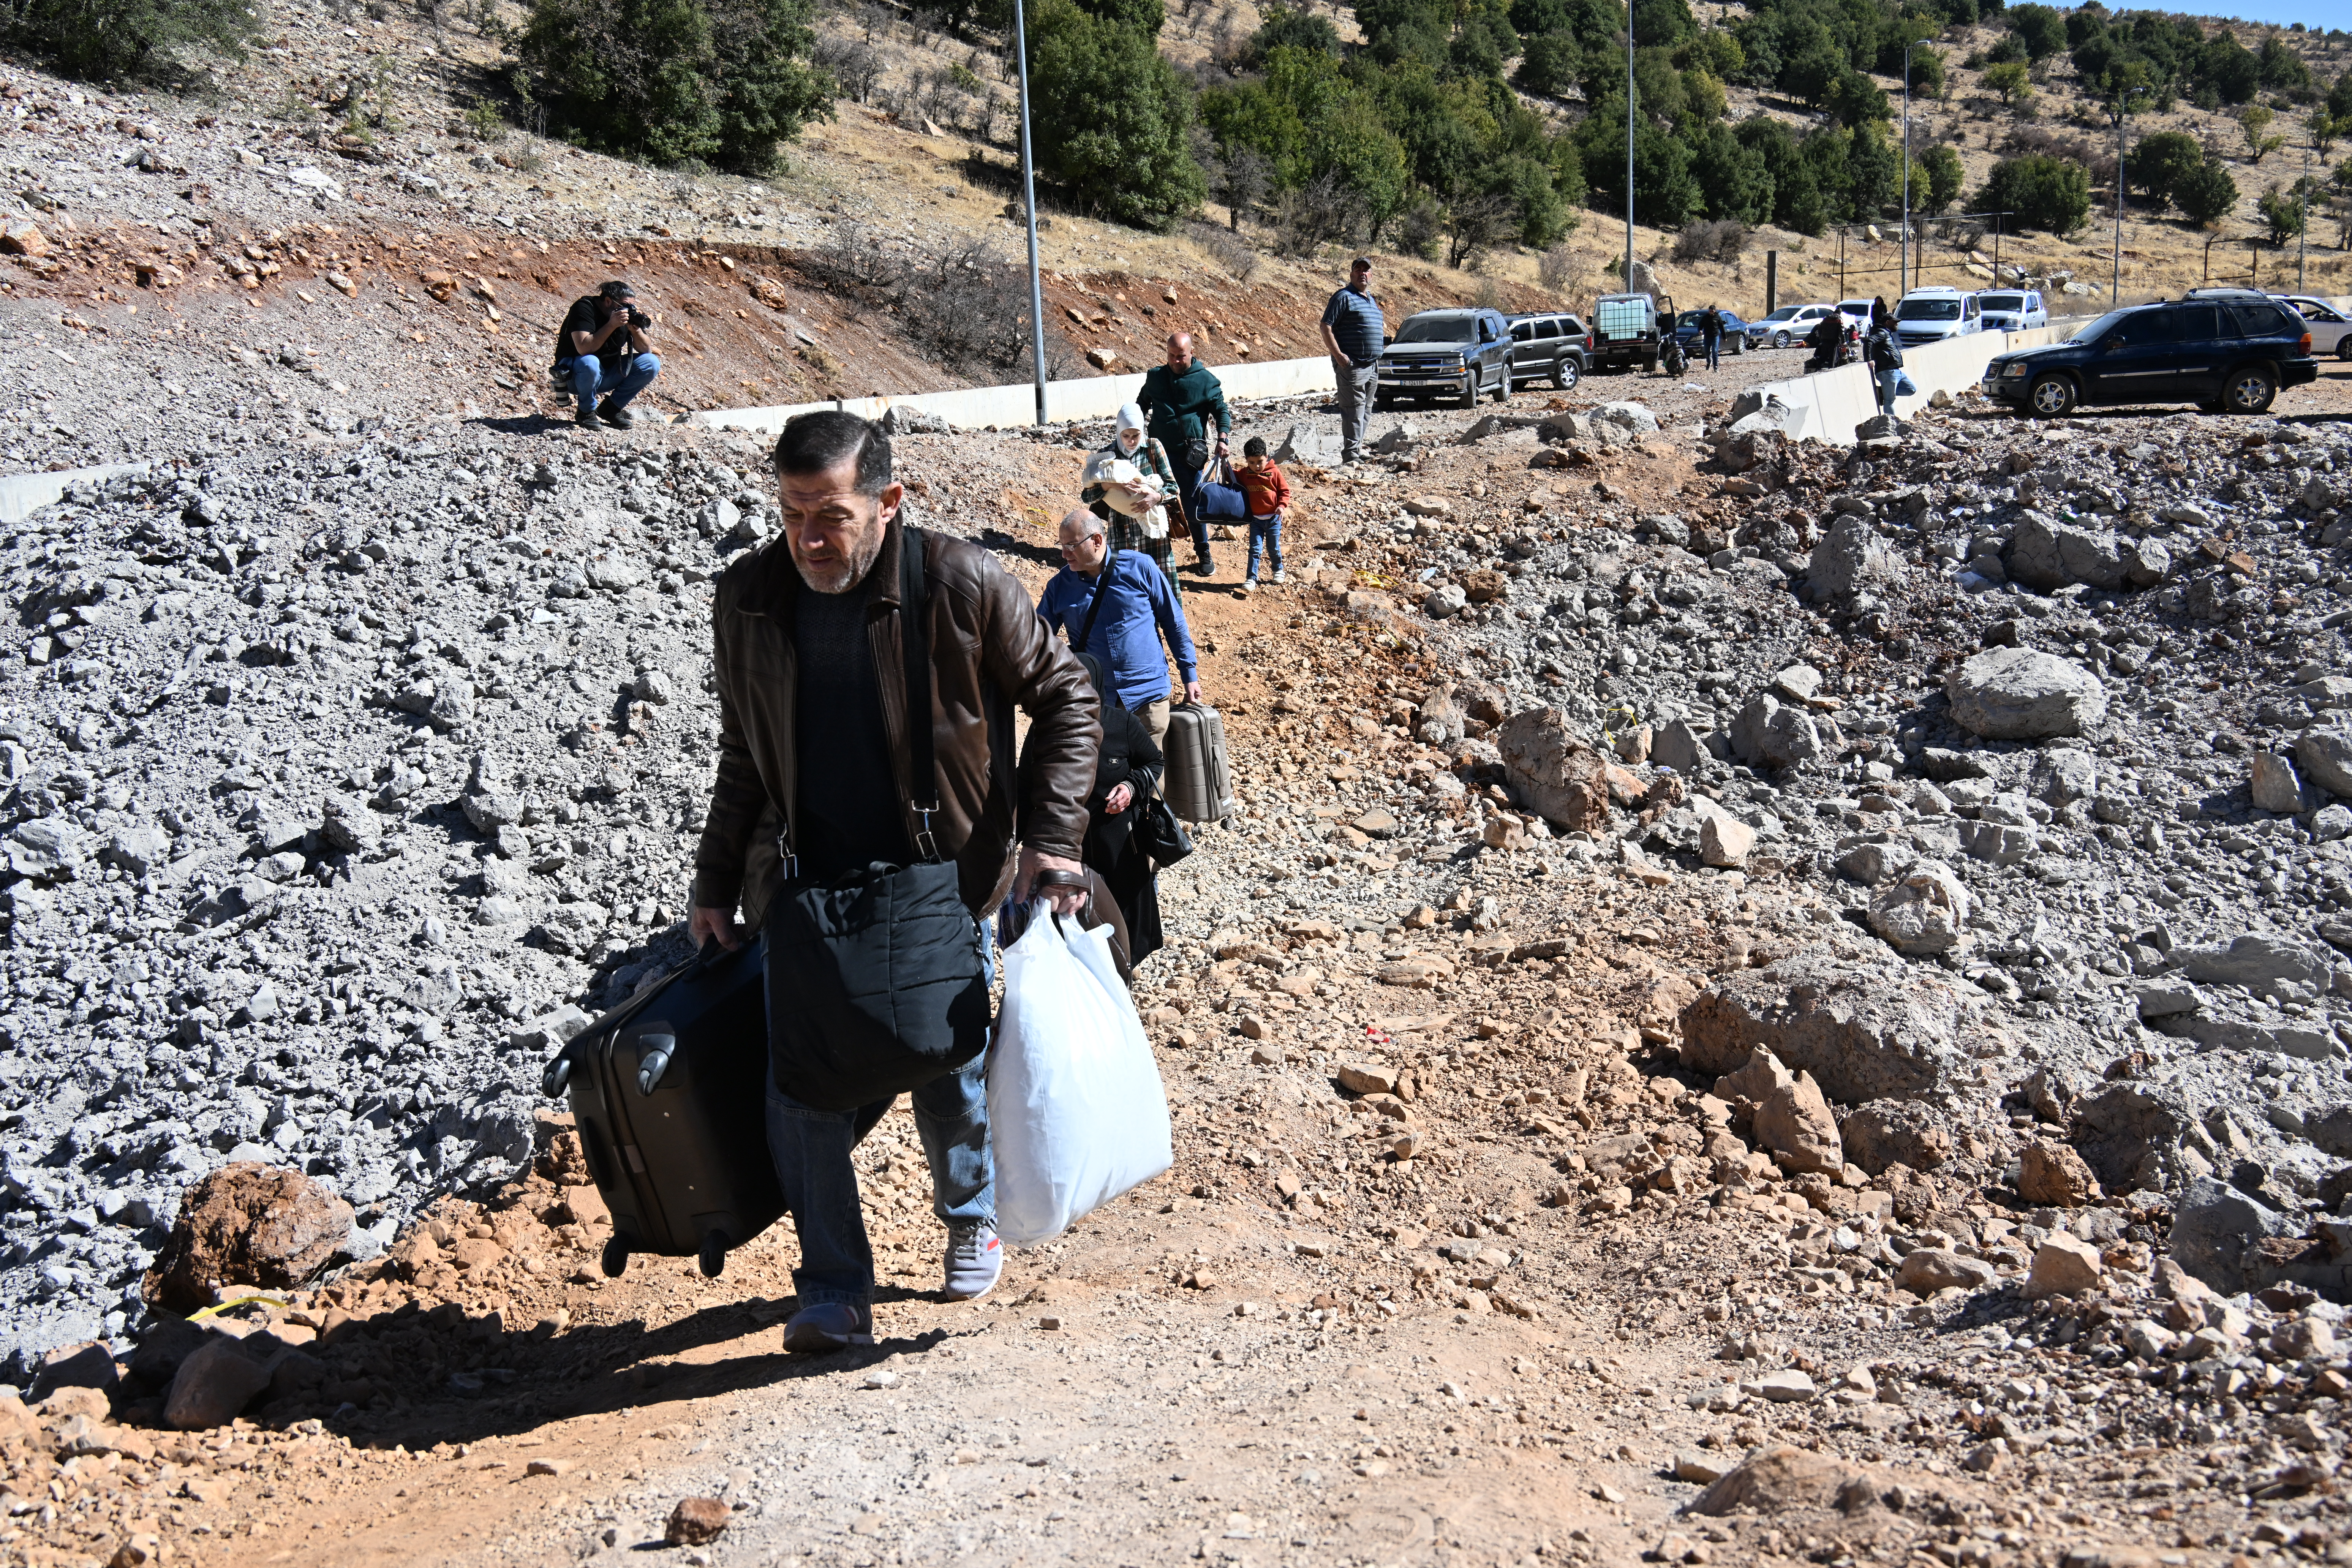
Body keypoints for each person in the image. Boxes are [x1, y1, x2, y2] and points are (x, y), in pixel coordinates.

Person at [688, 410, 1100, 1353]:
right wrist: (715, 879)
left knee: (941, 1053)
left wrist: (1051, 838)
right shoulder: (749, 596)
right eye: (792, 512)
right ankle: (833, 1284)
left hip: (937, 865)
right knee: (798, 1087)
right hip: (804, 877)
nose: (808, 536)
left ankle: (970, 1216)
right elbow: (743, 756)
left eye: (829, 513)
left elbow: (1067, 694)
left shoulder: (956, 580)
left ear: (887, 501)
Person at [1036, 507, 1200, 746]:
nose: (1064, 554)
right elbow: (1037, 642)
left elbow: (1173, 623)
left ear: (1097, 541)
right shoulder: (1059, 587)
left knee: (1150, 778)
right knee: (1103, 778)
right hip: (1096, 704)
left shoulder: (1141, 568)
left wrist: (1190, 674)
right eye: (1062, 545)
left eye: (1071, 545)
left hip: (1148, 696)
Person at [1072, 652, 1163, 969]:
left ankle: (1124, 981)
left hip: (1120, 848)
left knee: (1125, 929)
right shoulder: (1049, 727)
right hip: (1071, 847)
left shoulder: (1121, 724)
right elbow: (1028, 781)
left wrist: (1130, 787)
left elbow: (1154, 762)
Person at [1136, 333, 1231, 577]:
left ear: (1191, 353)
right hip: (1156, 455)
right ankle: (1153, 559)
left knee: (1192, 505)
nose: (1176, 361)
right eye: (1171, 356)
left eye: (1181, 357)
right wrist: (1131, 433)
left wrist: (1222, 438)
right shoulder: (1155, 378)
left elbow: (1222, 411)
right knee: (1152, 503)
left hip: (1188, 458)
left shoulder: (1206, 381)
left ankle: (1204, 553)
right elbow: (1140, 406)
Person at [1079, 402, 1180, 584]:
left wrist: (1156, 497)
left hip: (1152, 534)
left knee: (1161, 585)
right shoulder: (1107, 456)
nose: (1132, 441)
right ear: (1118, 432)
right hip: (1121, 531)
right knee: (1125, 586)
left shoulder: (1152, 448)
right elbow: (1086, 496)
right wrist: (1108, 486)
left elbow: (1173, 488)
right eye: (1125, 436)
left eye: (1136, 435)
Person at [555, 280, 661, 431]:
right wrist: (612, 325)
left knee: (651, 362)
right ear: (608, 301)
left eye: (631, 306)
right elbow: (585, 348)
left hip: (606, 374)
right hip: (575, 376)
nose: (627, 311)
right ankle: (586, 412)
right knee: (590, 361)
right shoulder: (585, 308)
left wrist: (636, 331)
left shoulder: (623, 317)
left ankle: (611, 409)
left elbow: (646, 349)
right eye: (624, 306)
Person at [1319, 256, 1384, 466]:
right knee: (1353, 410)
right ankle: (1350, 455)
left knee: (1365, 410)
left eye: (1366, 270)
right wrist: (1339, 356)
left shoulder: (1370, 299)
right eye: (1358, 270)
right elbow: (1325, 326)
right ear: (1351, 274)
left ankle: (1357, 448)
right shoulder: (1343, 297)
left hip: (1372, 365)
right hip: (1353, 365)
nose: (1362, 273)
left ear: (1371, 275)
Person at [1234, 435, 1290, 593]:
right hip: (1255, 520)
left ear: (1267, 457)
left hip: (1273, 519)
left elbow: (1284, 491)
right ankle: (1251, 579)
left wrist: (1282, 506)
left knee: (1273, 548)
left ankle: (1278, 570)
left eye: (1260, 462)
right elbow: (1233, 475)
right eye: (1252, 463)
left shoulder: (1274, 472)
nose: (1256, 466)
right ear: (1246, 461)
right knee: (1255, 550)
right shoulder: (1245, 474)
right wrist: (1224, 462)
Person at [1866, 299, 1903, 416]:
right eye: (1894, 321)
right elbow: (1868, 341)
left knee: (1911, 389)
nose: (1897, 323)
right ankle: (1892, 425)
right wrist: (1869, 359)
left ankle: (1884, 391)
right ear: (1887, 322)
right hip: (1888, 371)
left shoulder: (1887, 332)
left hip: (1896, 370)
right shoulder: (1883, 333)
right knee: (1889, 402)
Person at [1699, 304, 1724, 371]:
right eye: (1710, 311)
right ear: (1709, 311)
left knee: (1715, 351)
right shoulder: (1705, 318)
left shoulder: (1718, 318)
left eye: (1712, 311)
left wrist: (1725, 337)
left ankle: (1715, 366)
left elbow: (1722, 327)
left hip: (1715, 337)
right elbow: (1700, 326)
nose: (1711, 313)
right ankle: (1709, 361)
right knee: (1707, 352)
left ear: (1715, 311)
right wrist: (1700, 331)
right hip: (1707, 337)